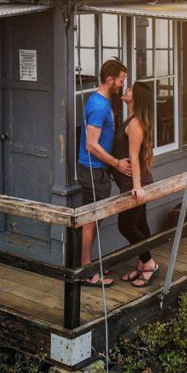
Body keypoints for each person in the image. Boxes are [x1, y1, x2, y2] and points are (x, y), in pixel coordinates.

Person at [78, 59, 131, 287]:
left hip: (98, 170)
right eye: (120, 80)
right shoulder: (99, 106)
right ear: (110, 80)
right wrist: (117, 164)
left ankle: (88, 263)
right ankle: (88, 271)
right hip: (93, 170)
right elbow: (92, 144)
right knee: (91, 221)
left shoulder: (103, 101)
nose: (122, 85)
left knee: (95, 219)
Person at [111, 81, 159, 287]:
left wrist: (137, 185)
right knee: (140, 224)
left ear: (136, 98)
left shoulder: (135, 124)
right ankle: (142, 264)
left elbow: (134, 156)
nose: (126, 90)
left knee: (126, 225)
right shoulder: (130, 120)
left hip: (136, 183)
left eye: (130, 89)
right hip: (134, 182)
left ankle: (149, 263)